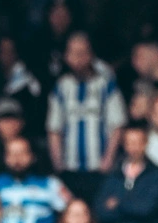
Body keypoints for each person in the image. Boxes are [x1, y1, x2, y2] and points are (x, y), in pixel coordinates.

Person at [47, 32, 126, 202]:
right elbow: (54, 128)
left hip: (99, 168)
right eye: (72, 53)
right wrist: (58, 163)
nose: (77, 58)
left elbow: (117, 126)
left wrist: (108, 160)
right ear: (66, 56)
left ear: (91, 55)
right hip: (69, 167)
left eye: (82, 53)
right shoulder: (62, 86)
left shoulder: (106, 85)